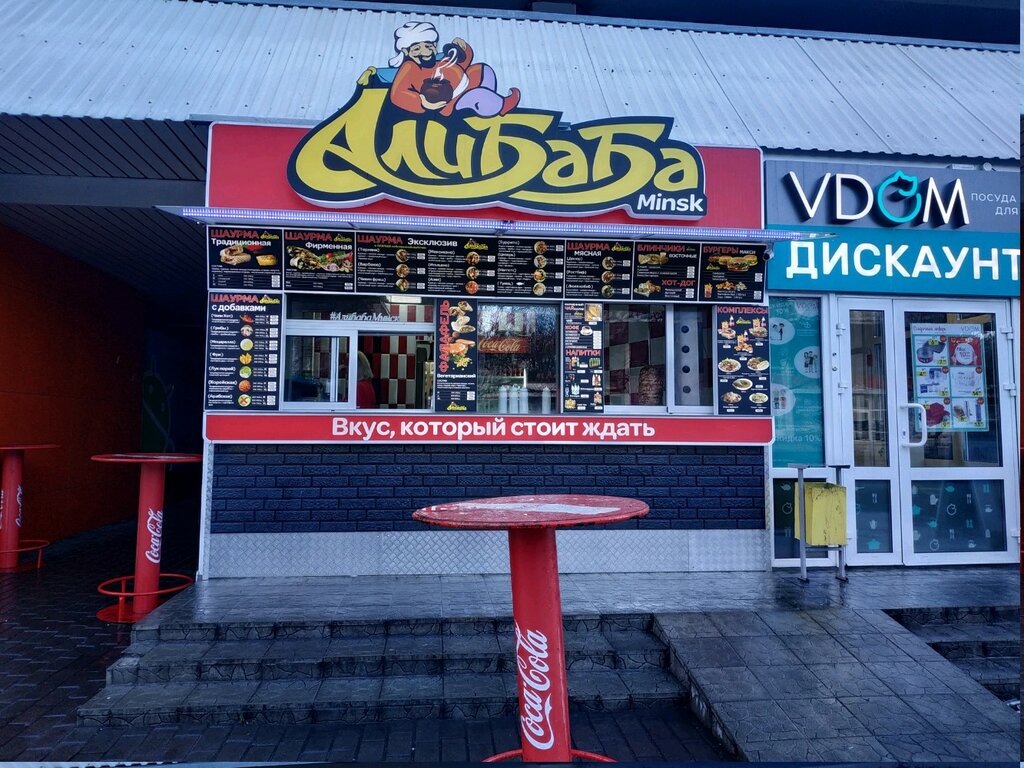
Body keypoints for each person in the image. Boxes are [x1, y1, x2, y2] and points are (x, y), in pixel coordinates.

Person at [387, 21, 520, 118]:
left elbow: (461, 63)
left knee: (482, 70)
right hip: (446, 104)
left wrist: (463, 48)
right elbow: (398, 94)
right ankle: (501, 106)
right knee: (477, 95)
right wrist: (422, 102)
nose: (425, 52)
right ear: (406, 51)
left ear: (434, 45)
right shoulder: (410, 67)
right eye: (417, 49)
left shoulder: (438, 61)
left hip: (461, 87)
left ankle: (487, 108)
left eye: (428, 46)